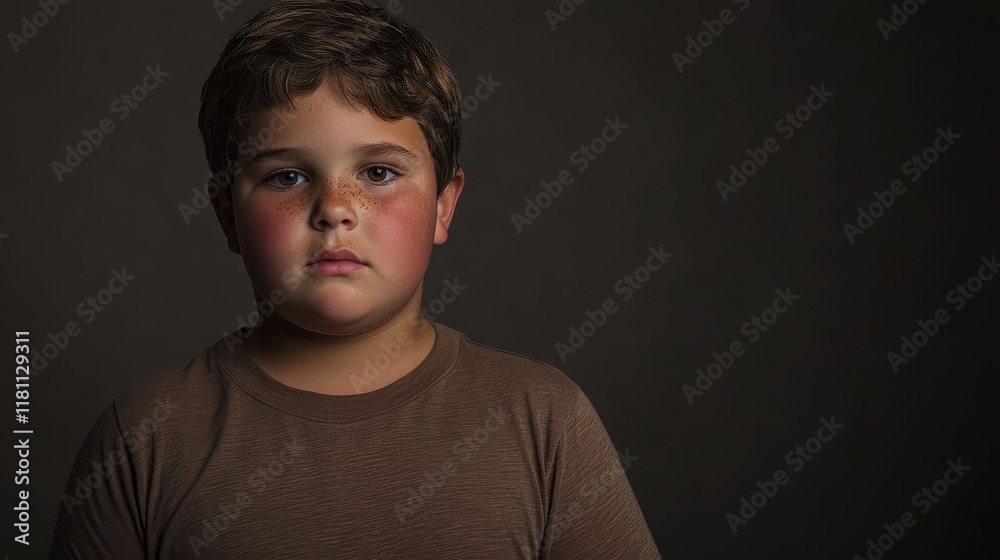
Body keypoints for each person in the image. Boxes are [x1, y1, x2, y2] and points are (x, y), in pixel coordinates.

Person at [49, 1, 662, 558]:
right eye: (286, 177)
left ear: (444, 206)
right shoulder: (143, 437)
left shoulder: (545, 418)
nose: (334, 207)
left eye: (377, 171)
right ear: (227, 217)